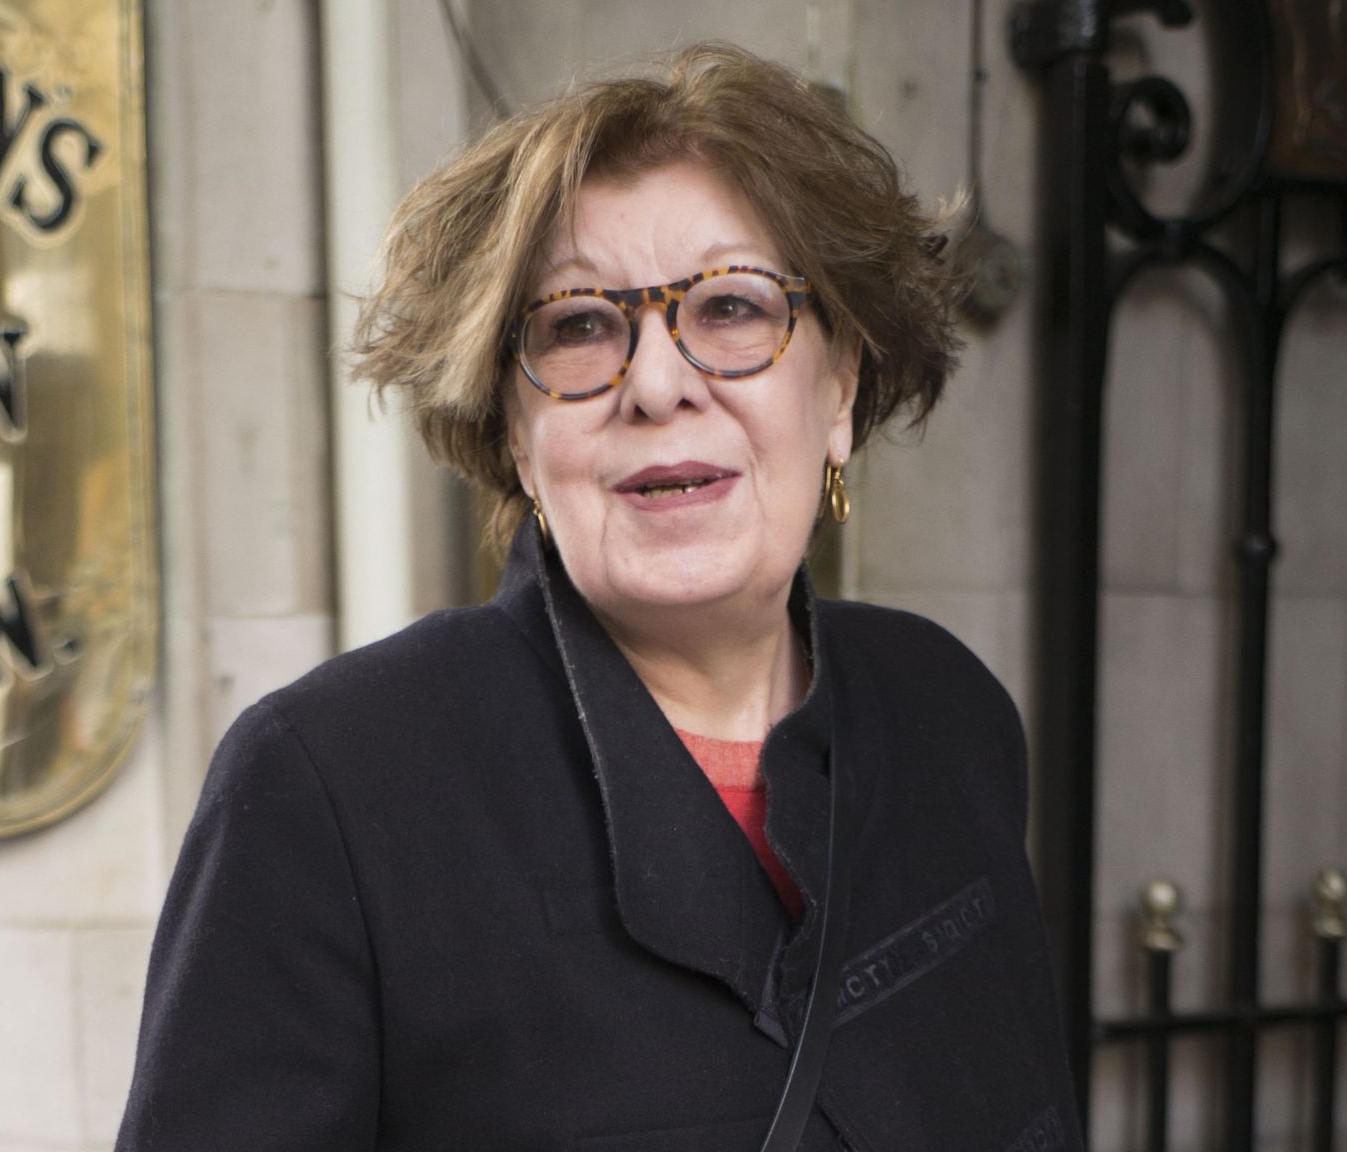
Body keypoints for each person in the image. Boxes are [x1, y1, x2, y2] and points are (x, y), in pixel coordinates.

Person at [116, 43, 1081, 1152]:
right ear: (514, 434)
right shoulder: (327, 786)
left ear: (840, 389)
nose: (659, 383)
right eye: (579, 326)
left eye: (730, 307)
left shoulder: (947, 715)